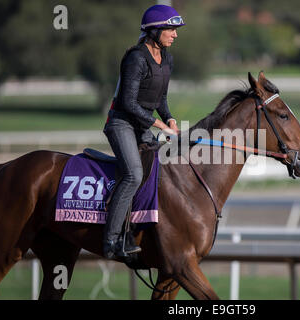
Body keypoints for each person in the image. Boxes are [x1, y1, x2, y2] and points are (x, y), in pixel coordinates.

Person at [102, 4, 184, 259]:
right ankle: (112, 240)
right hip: (121, 124)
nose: (175, 34)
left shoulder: (167, 58)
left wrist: (169, 118)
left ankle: (134, 230)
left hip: (142, 124)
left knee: (159, 170)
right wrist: (156, 124)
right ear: (155, 30)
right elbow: (128, 102)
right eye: (171, 29)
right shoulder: (136, 57)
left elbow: (160, 98)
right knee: (134, 174)